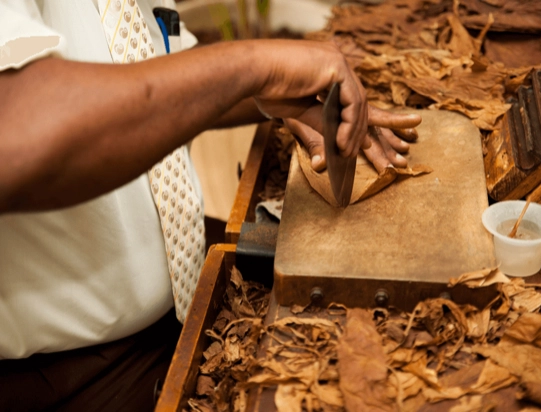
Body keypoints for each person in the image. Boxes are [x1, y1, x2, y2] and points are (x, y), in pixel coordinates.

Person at [0, 0, 421, 410]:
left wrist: (273, 95)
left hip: (184, 292)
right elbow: (15, 127)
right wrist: (257, 65)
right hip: (70, 377)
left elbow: (157, 71)